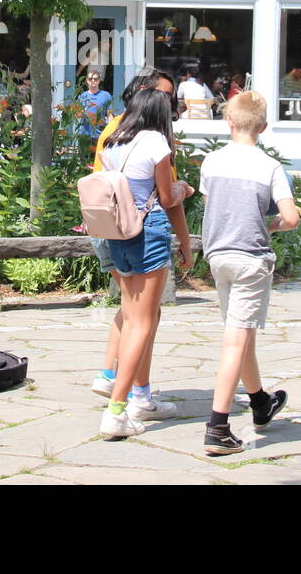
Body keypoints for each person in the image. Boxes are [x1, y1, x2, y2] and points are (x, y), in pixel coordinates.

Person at [200, 91, 301, 454]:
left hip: (218, 256)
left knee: (242, 336)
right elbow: (291, 217)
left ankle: (260, 401)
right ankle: (218, 427)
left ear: (229, 122)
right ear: (263, 126)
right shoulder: (269, 166)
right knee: (235, 342)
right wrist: (271, 225)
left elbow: (214, 203)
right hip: (250, 259)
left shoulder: (211, 161)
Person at [89, 69, 192, 411]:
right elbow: (167, 197)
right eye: (167, 99)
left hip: (115, 232)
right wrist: (184, 190)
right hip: (147, 232)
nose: (172, 105)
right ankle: (124, 403)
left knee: (133, 316)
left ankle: (128, 389)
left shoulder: (115, 136)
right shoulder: (154, 141)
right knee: (144, 322)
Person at [76, 72, 112, 140]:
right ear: (87, 80)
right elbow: (77, 115)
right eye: (90, 79)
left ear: (99, 81)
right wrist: (81, 113)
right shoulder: (82, 96)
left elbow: (110, 115)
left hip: (100, 134)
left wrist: (109, 131)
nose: (93, 81)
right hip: (85, 134)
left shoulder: (106, 95)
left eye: (95, 79)